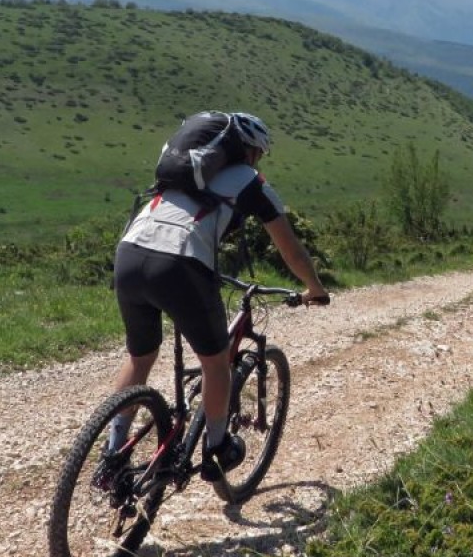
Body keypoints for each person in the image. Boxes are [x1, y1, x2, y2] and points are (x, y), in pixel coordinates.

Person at [109, 111, 330, 482]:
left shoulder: (177, 177)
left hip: (129, 253)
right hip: (180, 264)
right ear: (251, 153)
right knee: (216, 363)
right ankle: (216, 449)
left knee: (141, 356)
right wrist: (315, 288)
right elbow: (291, 249)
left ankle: (112, 450)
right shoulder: (250, 181)